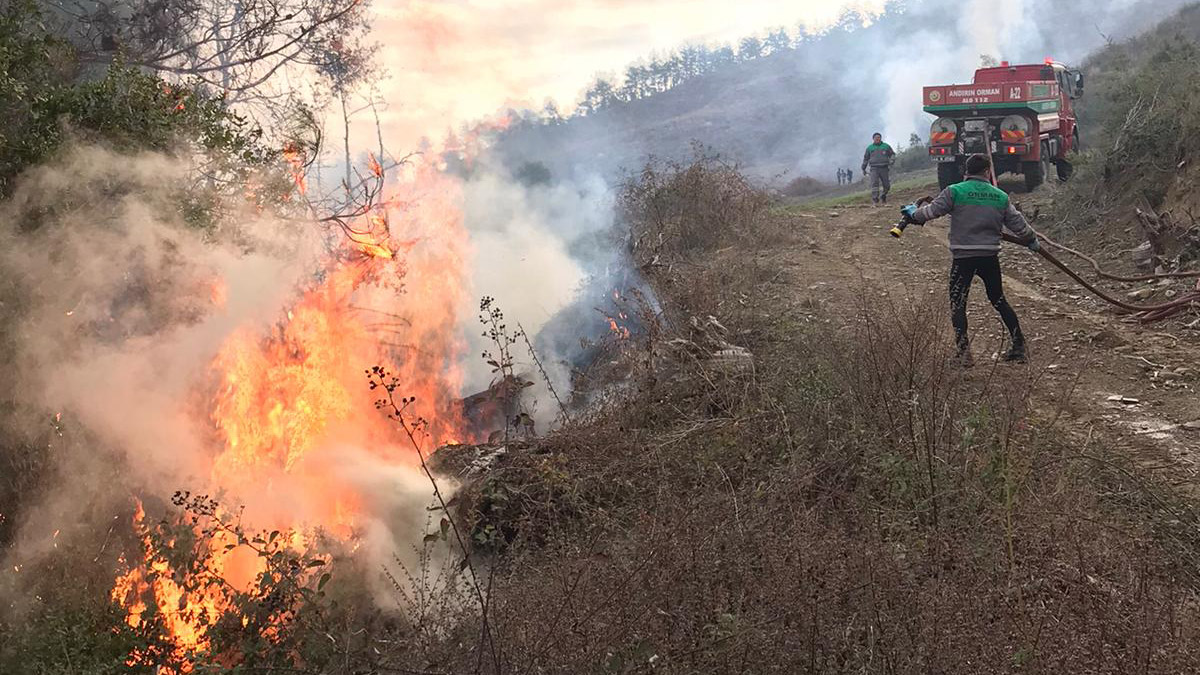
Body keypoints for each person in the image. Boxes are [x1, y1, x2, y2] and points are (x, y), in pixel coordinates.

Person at [900, 153, 1039, 367]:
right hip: (989, 257)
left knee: (958, 303)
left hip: (963, 258)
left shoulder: (955, 191)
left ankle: (964, 354)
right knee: (998, 300)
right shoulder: (1000, 196)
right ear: (987, 172)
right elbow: (1018, 225)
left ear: (966, 171)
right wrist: (1031, 239)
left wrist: (912, 214)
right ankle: (1019, 346)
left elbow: (930, 213)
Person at [861, 133, 895, 206]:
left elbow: (892, 154)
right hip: (874, 168)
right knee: (874, 184)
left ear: (880, 138)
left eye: (879, 137)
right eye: (876, 138)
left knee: (887, 185)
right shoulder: (869, 148)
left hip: (884, 168)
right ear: (873, 139)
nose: (877, 139)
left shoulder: (886, 146)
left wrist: (892, 160)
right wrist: (863, 168)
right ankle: (875, 200)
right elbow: (866, 159)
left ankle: (883, 196)